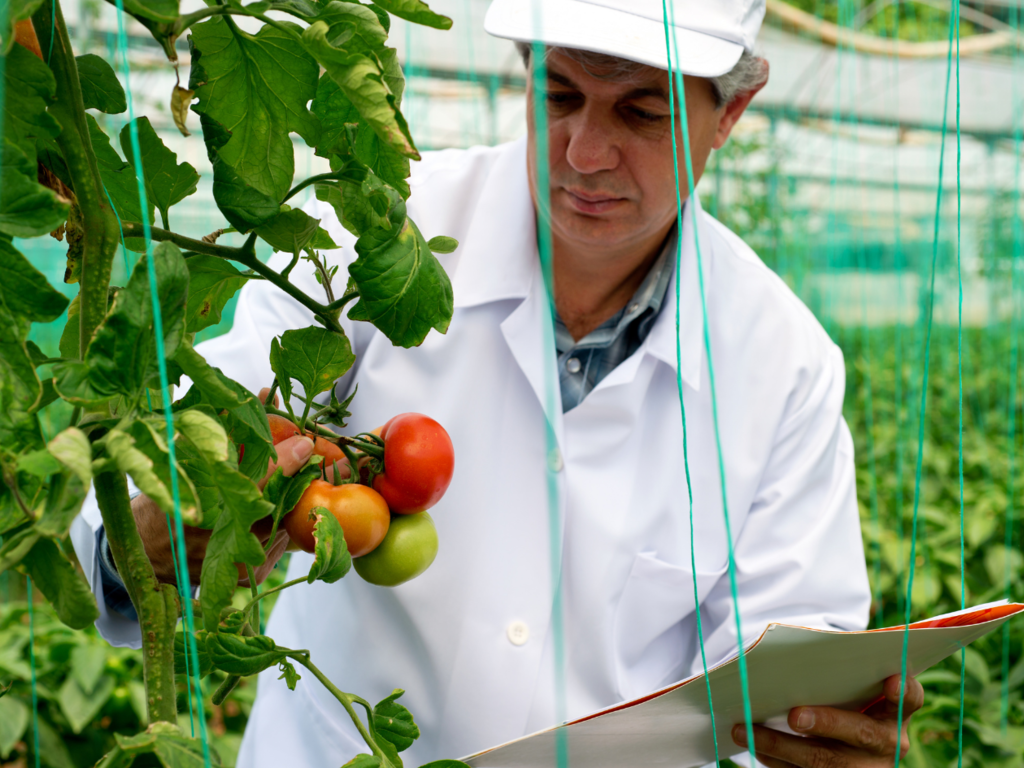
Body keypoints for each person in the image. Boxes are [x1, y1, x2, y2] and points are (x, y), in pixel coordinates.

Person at [71, 0, 924, 766]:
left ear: (730, 111)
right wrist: (149, 534)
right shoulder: (368, 240)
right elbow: (180, 467)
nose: (586, 153)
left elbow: (782, 657)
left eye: (643, 112)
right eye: (557, 97)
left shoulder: (782, 363)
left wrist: (814, 722)